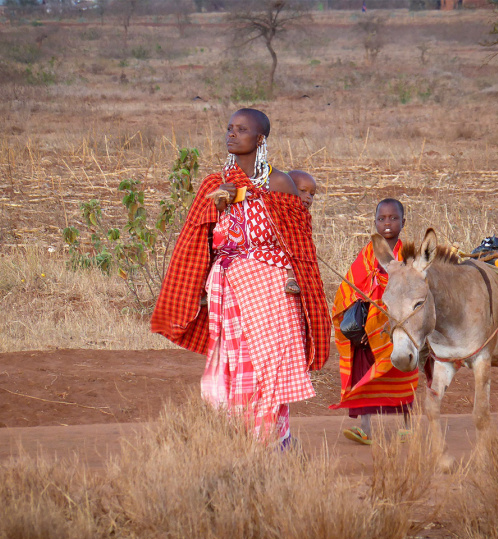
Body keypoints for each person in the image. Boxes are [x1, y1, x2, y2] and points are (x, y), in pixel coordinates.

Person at [151, 108, 331, 448]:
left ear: (259, 139)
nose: (231, 134)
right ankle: (239, 443)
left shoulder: (279, 183)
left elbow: (299, 242)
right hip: (228, 287)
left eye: (242, 129)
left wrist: (246, 196)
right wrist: (219, 205)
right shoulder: (214, 185)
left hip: (271, 290)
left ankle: (272, 444)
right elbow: (195, 240)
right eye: (230, 128)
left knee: (267, 367)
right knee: (233, 367)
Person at [330, 198, 419, 445]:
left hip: (397, 328)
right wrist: (365, 295)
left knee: (403, 374)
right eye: (382, 219)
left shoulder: (408, 255)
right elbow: (350, 284)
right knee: (364, 376)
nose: (387, 223)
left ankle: (408, 427)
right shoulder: (368, 253)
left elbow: (414, 289)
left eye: (393, 218)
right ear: (375, 222)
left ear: (403, 221)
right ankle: (365, 428)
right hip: (368, 330)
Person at [284, 170, 318, 295]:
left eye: (312, 194)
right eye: (303, 191)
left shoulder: (305, 217)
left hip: (300, 259)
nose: (308, 197)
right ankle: (291, 279)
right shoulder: (280, 211)